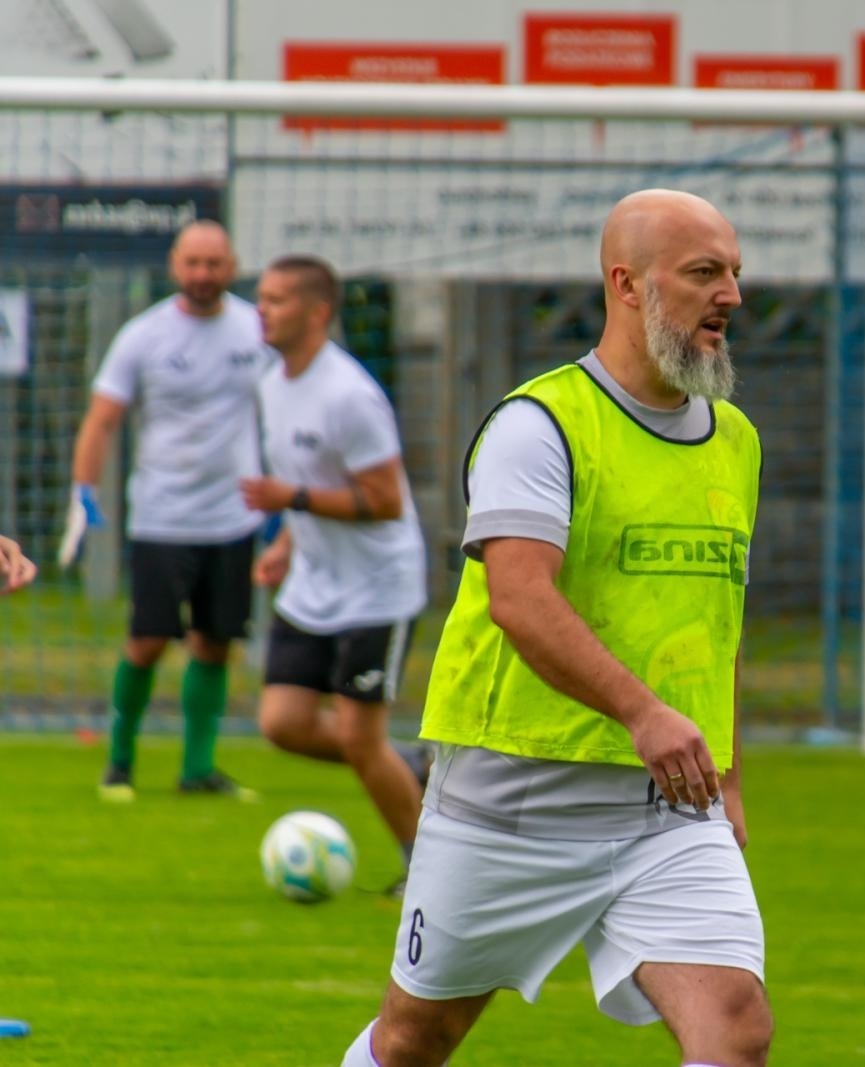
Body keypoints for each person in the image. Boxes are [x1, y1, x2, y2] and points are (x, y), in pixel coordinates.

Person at [340, 189, 769, 1067]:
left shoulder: (736, 440)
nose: (730, 293)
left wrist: (724, 775)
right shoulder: (539, 426)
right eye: (703, 273)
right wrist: (646, 714)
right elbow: (521, 601)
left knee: (735, 1027)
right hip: (512, 799)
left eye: (734, 272)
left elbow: (712, 623)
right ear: (626, 283)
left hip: (666, 810)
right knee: (416, 1040)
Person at [239, 255, 430, 898]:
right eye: (261, 298)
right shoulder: (272, 383)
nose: (262, 310)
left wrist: (288, 501)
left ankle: (427, 873)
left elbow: (384, 501)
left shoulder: (350, 395)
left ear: (318, 313)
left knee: (357, 734)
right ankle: (409, 764)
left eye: (278, 300)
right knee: (284, 724)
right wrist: (288, 543)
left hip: (376, 590)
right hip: (314, 584)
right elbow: (315, 483)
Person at [62, 220, 270, 802]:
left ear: (231, 266)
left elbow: (286, 407)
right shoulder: (143, 335)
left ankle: (197, 769)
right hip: (162, 516)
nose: (203, 274)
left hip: (232, 517)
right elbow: (103, 417)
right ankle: (119, 762)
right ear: (175, 265)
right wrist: (83, 492)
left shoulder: (256, 330)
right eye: (192, 263)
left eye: (214, 263)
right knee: (148, 640)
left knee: (213, 642)